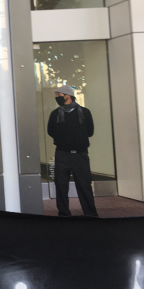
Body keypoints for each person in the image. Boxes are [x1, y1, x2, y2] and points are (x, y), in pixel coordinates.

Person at [47, 85, 98, 217]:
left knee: (84, 185)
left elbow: (90, 131)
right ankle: (64, 214)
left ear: (68, 95)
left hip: (80, 154)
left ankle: (91, 215)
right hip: (62, 154)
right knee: (61, 186)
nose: (57, 98)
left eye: (59, 95)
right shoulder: (55, 114)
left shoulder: (84, 112)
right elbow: (50, 131)